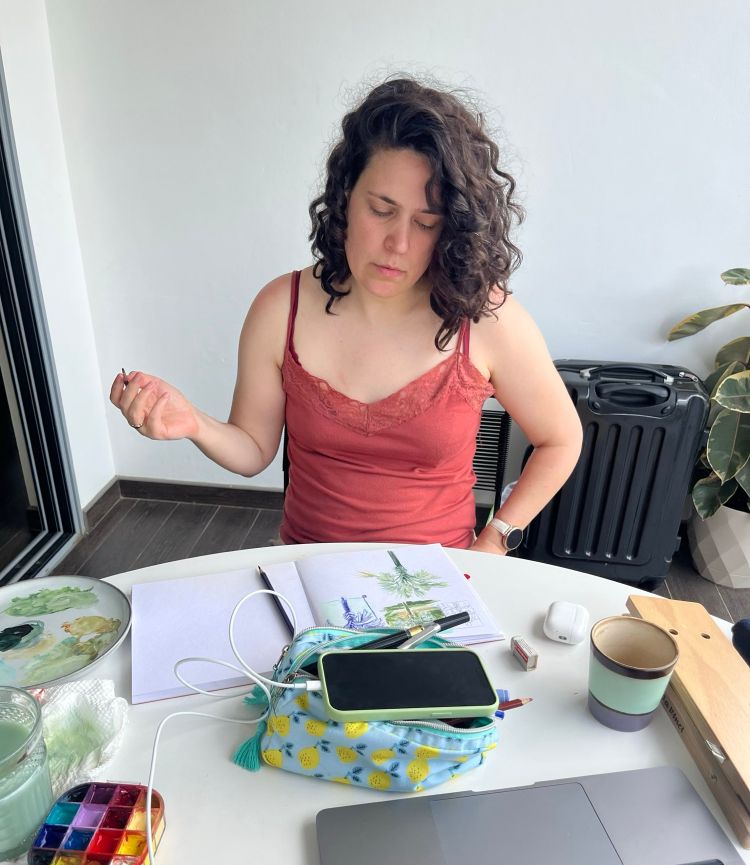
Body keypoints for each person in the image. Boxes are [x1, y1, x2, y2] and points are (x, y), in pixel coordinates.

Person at [110, 77, 582, 554]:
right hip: (305, 567)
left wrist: (496, 539)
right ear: (345, 199)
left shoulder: (484, 319)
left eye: (425, 224)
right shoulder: (281, 308)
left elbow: (561, 440)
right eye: (381, 210)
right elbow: (253, 451)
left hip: (438, 580)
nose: (398, 245)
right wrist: (193, 422)